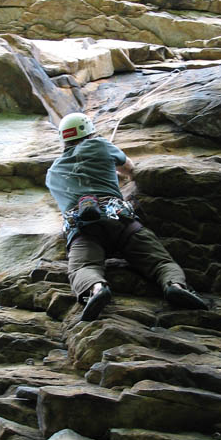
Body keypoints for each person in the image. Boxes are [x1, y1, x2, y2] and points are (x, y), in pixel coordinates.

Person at [45, 112, 209, 321]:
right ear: (89, 131)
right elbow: (129, 168)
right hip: (121, 221)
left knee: (83, 267)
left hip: (83, 230)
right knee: (159, 262)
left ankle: (96, 289)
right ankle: (174, 285)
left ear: (64, 139)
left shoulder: (52, 173)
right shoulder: (100, 145)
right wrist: (127, 176)